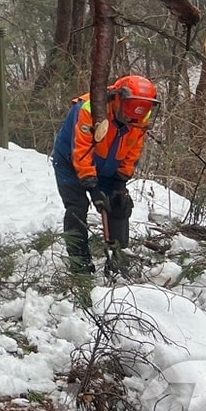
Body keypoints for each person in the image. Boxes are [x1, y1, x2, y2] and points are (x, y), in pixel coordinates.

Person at [50, 74, 159, 275]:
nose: (130, 119)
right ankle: (79, 263)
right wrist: (93, 187)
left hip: (108, 165)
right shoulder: (89, 109)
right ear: (118, 99)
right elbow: (81, 151)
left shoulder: (140, 117)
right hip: (71, 161)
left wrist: (119, 182)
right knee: (77, 207)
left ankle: (118, 259)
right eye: (127, 113)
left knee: (119, 204)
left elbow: (133, 149)